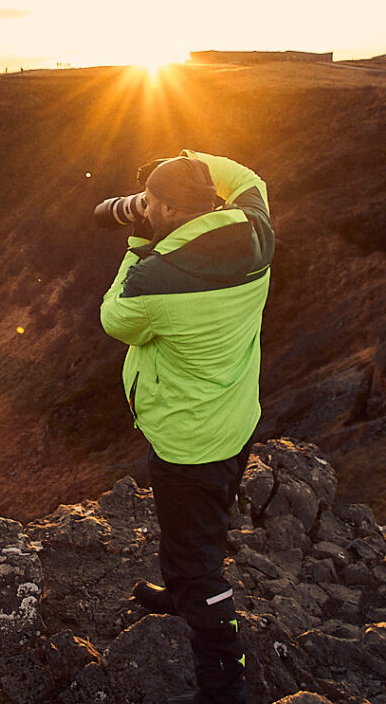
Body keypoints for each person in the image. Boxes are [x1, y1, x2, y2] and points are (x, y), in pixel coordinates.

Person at [99, 151, 274, 704]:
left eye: (149, 205)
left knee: (195, 561)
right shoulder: (255, 234)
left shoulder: (153, 280)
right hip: (234, 419)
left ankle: (224, 683)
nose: (140, 211)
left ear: (170, 209)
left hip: (189, 442)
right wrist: (189, 159)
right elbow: (249, 179)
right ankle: (182, 590)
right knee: (205, 524)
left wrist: (134, 243)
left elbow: (113, 318)